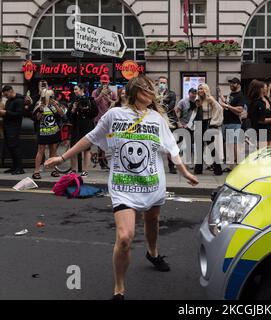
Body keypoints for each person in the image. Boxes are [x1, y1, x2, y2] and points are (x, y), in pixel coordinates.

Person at [44, 75, 198, 301]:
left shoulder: (156, 118)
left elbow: (172, 148)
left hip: (152, 183)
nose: (152, 93)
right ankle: (119, 289)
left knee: (152, 221)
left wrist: (184, 172)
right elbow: (91, 137)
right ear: (135, 92)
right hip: (123, 185)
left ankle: (152, 253)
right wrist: (62, 158)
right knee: (125, 237)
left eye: (152, 90)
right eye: (147, 90)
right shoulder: (115, 115)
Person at [31, 89, 66, 179]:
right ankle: (36, 171)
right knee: (41, 150)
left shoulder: (54, 104)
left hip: (53, 130)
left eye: (53, 96)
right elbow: (36, 118)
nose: (52, 98)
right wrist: (41, 111)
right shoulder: (39, 105)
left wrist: (56, 106)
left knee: (53, 150)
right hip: (43, 131)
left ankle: (54, 170)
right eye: (51, 96)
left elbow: (62, 114)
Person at [67, 84, 98, 176]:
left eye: (76, 89)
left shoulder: (90, 100)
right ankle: (73, 170)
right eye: (74, 89)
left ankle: (85, 170)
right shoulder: (74, 101)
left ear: (82, 89)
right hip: (76, 126)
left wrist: (86, 109)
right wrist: (73, 109)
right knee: (73, 148)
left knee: (86, 149)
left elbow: (95, 113)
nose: (74, 91)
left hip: (86, 126)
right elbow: (68, 116)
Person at [193, 83, 223, 176]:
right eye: (199, 89)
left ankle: (218, 169)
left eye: (201, 89)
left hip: (208, 124)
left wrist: (213, 121)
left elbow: (219, 109)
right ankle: (198, 169)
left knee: (211, 146)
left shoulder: (210, 99)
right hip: (199, 124)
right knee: (199, 147)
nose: (200, 90)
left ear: (206, 89)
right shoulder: (198, 100)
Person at [218, 78, 245, 172]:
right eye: (230, 83)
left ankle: (238, 167)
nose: (230, 85)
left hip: (234, 123)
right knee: (230, 145)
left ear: (238, 84)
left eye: (233, 83)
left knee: (234, 145)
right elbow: (228, 104)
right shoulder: (231, 94)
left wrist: (227, 106)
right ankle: (231, 166)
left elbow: (240, 109)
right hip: (227, 122)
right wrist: (221, 96)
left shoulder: (240, 95)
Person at [93, 74, 117, 169]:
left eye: (106, 82)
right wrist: (101, 94)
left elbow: (115, 103)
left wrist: (107, 97)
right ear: (100, 82)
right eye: (103, 82)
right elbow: (94, 103)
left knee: (110, 139)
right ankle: (102, 161)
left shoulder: (112, 92)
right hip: (98, 119)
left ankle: (107, 160)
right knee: (100, 140)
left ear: (108, 82)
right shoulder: (95, 92)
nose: (104, 84)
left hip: (110, 119)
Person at [0, 86, 25, 175]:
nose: (5, 97)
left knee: (15, 148)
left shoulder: (19, 100)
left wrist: (5, 112)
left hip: (14, 127)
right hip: (7, 126)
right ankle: (14, 166)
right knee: (10, 147)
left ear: (11, 91)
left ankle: (20, 168)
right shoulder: (8, 101)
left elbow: (18, 115)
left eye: (6, 94)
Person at [247, 80, 271, 147]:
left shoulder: (265, 99)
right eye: (265, 87)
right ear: (261, 89)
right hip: (261, 130)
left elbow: (265, 112)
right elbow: (260, 120)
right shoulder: (257, 103)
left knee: (269, 150)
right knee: (262, 151)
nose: (267, 89)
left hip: (269, 129)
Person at [157, 76, 178, 174]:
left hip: (169, 121)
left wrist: (160, 106)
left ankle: (171, 165)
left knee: (170, 143)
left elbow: (171, 106)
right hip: (157, 121)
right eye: (161, 82)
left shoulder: (171, 94)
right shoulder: (154, 94)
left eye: (164, 83)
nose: (162, 84)